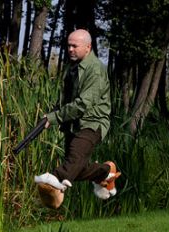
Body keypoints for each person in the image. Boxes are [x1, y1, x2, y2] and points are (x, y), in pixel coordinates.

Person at [35, 29, 120, 209]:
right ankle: (106, 172)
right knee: (77, 168)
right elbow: (66, 100)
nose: (70, 49)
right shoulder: (72, 68)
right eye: (69, 46)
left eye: (75, 46)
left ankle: (53, 179)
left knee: (72, 163)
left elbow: (83, 104)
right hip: (73, 124)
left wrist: (55, 117)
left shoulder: (95, 70)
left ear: (88, 47)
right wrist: (50, 115)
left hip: (92, 123)